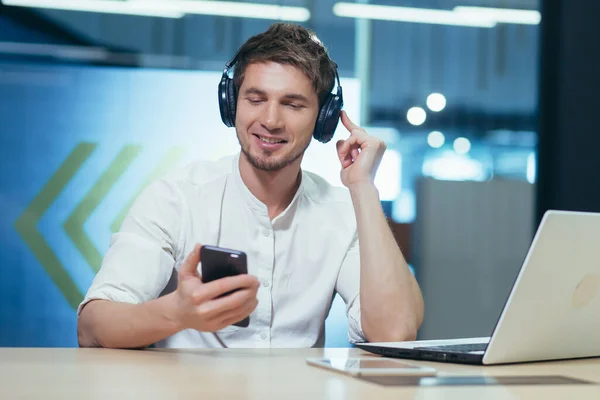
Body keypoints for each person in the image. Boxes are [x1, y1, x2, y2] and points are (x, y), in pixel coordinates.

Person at [77, 22, 424, 349]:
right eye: (255, 99)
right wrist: (177, 313)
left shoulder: (343, 214)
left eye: (292, 104)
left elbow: (394, 332)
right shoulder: (177, 197)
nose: (270, 120)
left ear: (322, 118)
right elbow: (92, 327)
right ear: (232, 104)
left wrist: (363, 187)